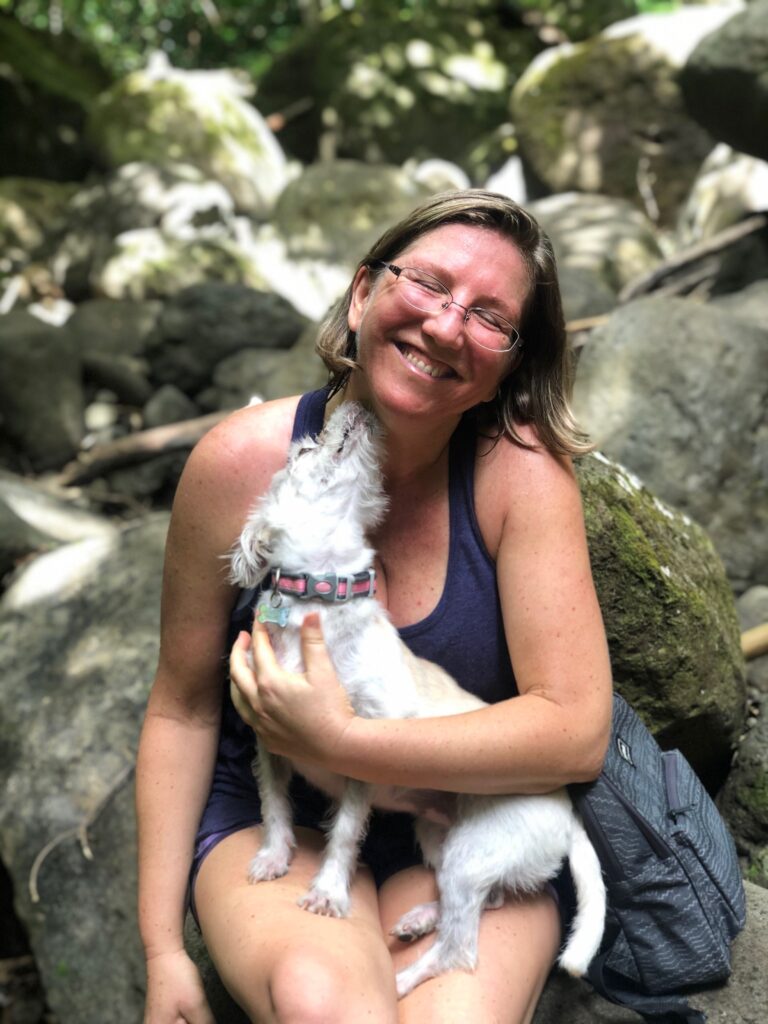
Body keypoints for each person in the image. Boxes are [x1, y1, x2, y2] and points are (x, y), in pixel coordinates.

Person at [136, 189, 613, 1024]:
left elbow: (575, 731)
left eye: (490, 318)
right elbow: (182, 708)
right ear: (362, 294)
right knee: (324, 1006)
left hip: (463, 814)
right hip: (277, 816)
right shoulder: (241, 464)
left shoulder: (522, 479)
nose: (445, 324)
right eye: (426, 283)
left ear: (510, 361)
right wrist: (161, 951)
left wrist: (348, 738)